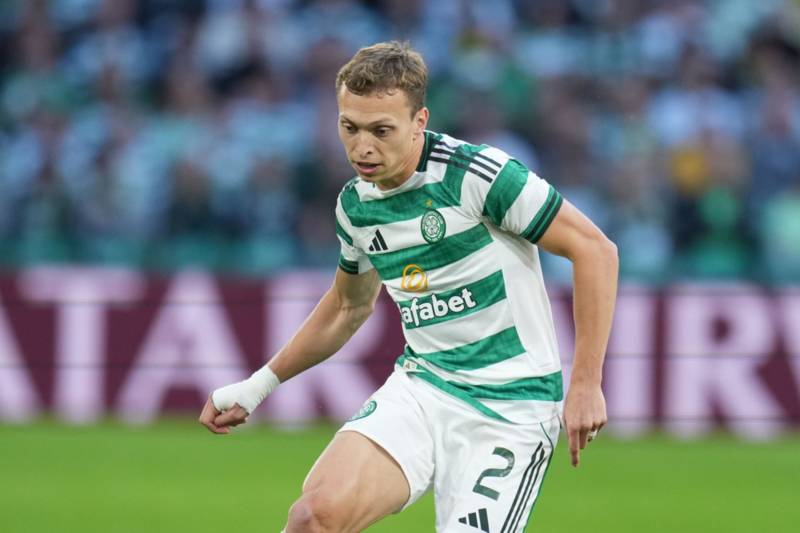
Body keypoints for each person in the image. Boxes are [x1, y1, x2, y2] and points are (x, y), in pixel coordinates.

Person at [199, 41, 618, 533]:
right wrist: (257, 386)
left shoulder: (477, 175)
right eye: (349, 127)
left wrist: (586, 382)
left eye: (381, 130)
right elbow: (347, 307)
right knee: (314, 519)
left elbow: (595, 250)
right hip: (424, 388)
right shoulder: (356, 206)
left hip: (511, 408)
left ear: (419, 121)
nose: (362, 147)